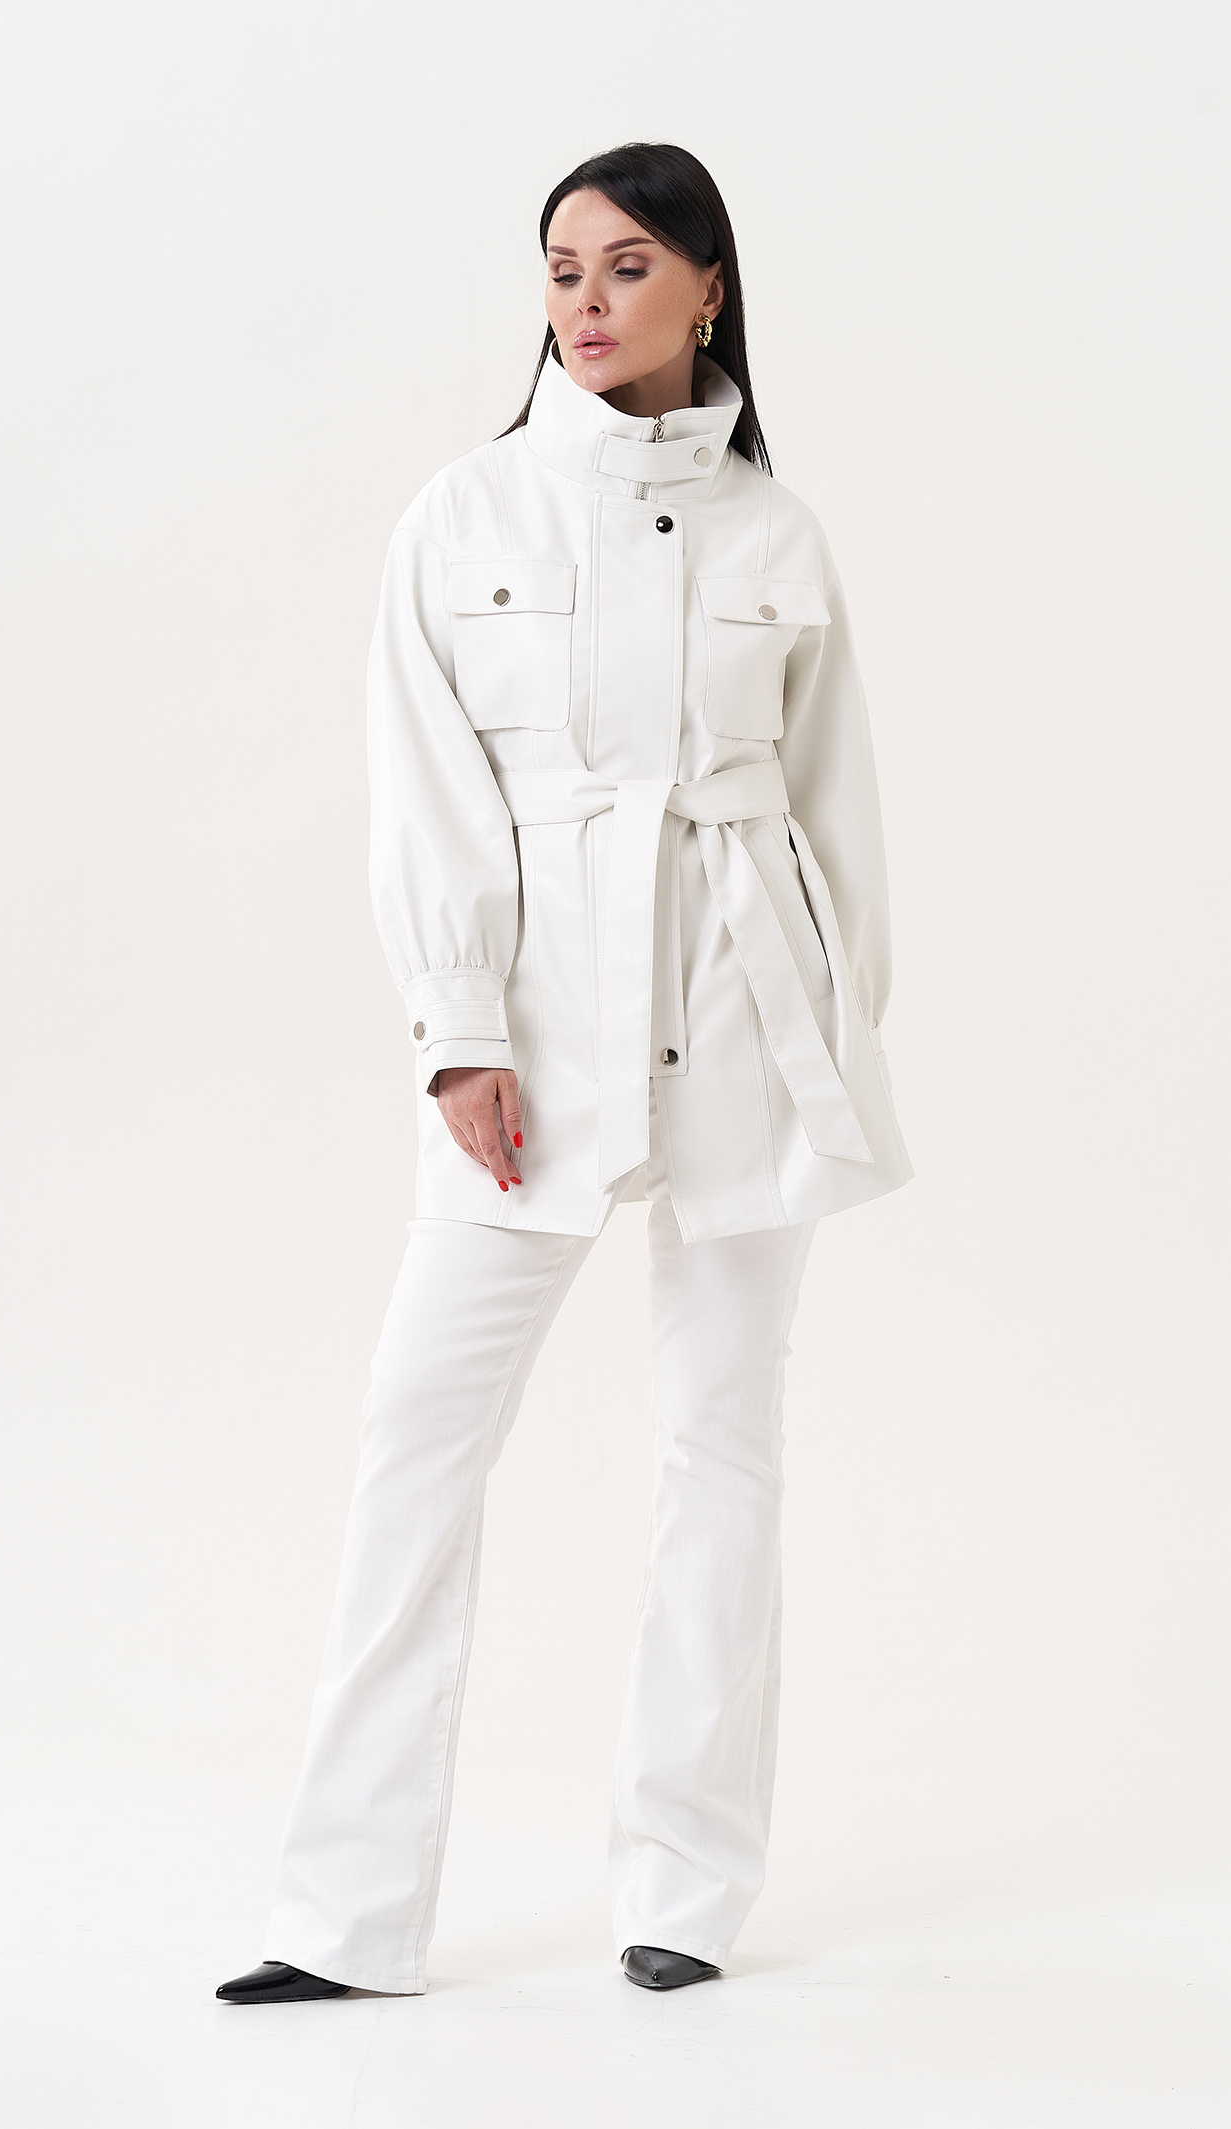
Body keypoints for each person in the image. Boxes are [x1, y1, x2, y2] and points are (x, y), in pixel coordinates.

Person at [218, 140, 912, 2005]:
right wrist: (460, 1029)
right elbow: (425, 784)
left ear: (708, 285)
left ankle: (684, 1888)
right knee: (418, 1437)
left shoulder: (779, 533)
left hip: (749, 1026)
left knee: (723, 1446)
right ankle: (343, 1917)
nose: (586, 302)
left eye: (625, 266)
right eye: (559, 269)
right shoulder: (464, 517)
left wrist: (840, 1033)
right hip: (530, 1048)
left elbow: (836, 805)